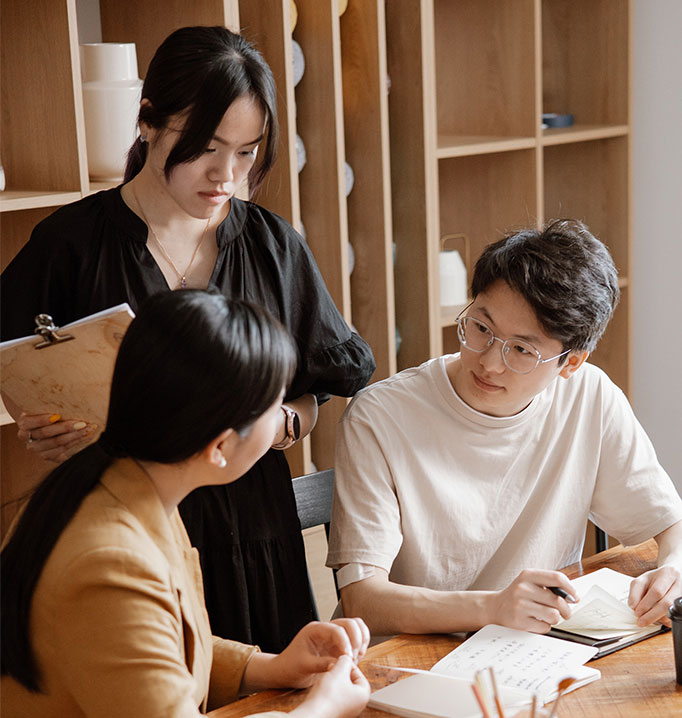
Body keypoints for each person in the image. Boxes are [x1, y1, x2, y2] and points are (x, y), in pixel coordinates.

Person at [0, 26, 375, 652]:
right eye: (204, 147)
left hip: (252, 527)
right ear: (148, 121)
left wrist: (283, 423)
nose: (226, 174)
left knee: (272, 682)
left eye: (247, 152)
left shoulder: (272, 245)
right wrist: (42, 422)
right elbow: (16, 360)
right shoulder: (71, 244)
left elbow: (323, 386)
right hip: (125, 533)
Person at [1, 290, 371, 717]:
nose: (281, 420)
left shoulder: (124, 484)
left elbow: (157, 643)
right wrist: (323, 708)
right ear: (220, 447)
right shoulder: (110, 563)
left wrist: (271, 667)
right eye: (275, 408)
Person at [326, 219, 682, 637]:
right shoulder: (380, 417)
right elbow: (363, 600)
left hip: (533, 646)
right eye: (481, 328)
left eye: (522, 350)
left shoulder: (590, 396)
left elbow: (669, 522)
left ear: (571, 362)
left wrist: (674, 569)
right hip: (411, 655)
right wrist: (493, 607)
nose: (489, 362)